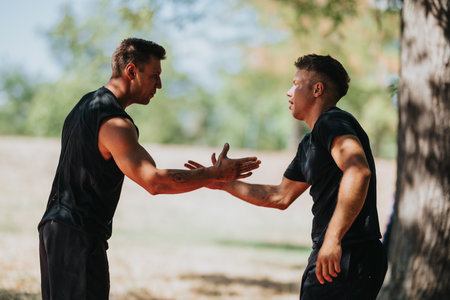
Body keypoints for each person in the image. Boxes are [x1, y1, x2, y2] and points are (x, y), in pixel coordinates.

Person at [38, 37, 261, 300]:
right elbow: (154, 181)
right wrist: (213, 174)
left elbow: (147, 170)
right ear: (131, 71)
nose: (160, 85)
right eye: (155, 76)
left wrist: (203, 178)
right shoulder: (114, 123)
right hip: (77, 236)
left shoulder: (86, 106)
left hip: (54, 230)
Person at [185, 54, 388, 299]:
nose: (288, 92)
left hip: (348, 253)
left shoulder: (332, 121)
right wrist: (222, 183)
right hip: (335, 253)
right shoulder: (310, 142)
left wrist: (333, 239)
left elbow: (358, 171)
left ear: (317, 89)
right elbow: (279, 196)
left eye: (295, 84)